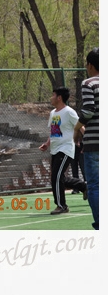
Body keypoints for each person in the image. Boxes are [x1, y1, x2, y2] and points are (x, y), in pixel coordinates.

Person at [39, 87, 87, 215]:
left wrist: (87, 142)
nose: (51, 98)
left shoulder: (69, 112)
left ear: (59, 98)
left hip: (66, 149)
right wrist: (47, 144)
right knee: (58, 177)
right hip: (55, 149)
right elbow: (53, 131)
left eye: (53, 95)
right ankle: (83, 186)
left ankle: (62, 206)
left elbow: (81, 127)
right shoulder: (53, 113)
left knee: (56, 177)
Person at [73, 47, 99, 230]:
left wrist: (77, 129)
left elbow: (89, 110)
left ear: (90, 65)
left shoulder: (89, 83)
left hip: (95, 142)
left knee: (95, 186)